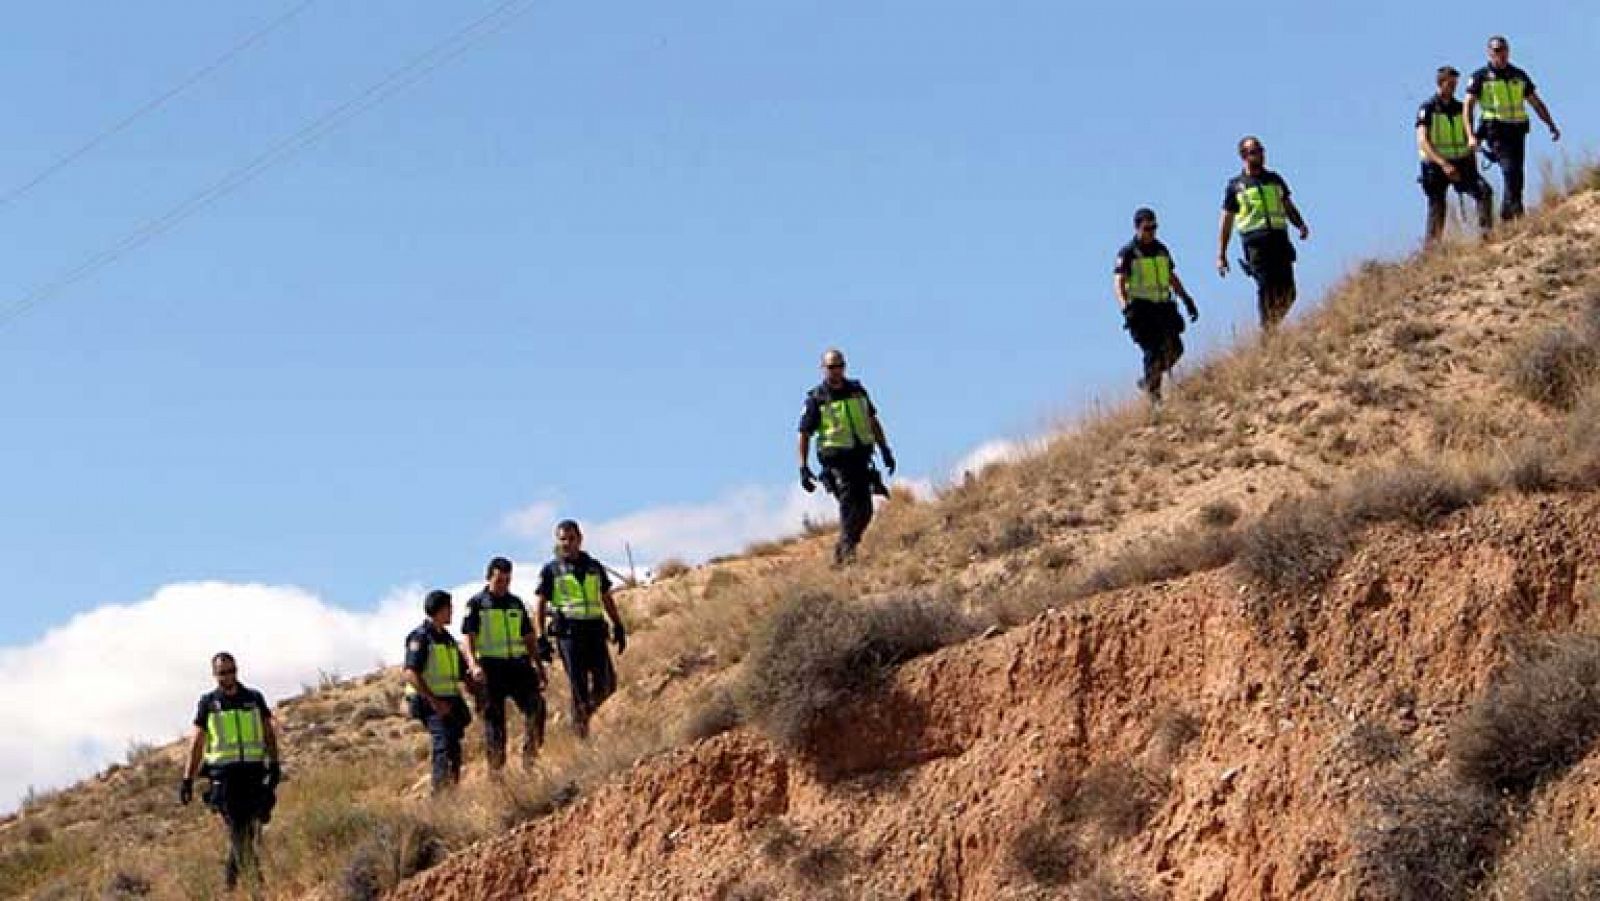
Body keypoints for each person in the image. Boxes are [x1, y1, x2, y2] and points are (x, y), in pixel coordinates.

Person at [178, 652, 282, 891]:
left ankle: (229, 887)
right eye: (223, 673)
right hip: (225, 780)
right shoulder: (209, 703)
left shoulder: (254, 698)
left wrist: (275, 764)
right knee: (238, 831)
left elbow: (268, 733)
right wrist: (187, 779)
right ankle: (257, 886)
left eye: (232, 671)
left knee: (250, 831)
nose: (228, 676)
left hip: (253, 775)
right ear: (214, 675)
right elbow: (196, 743)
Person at [796, 348, 897, 564]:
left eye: (840, 366)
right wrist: (803, 467)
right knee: (849, 507)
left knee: (866, 511)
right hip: (837, 463)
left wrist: (885, 449)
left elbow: (872, 421)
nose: (836, 371)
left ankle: (845, 550)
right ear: (823, 369)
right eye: (831, 367)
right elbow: (804, 434)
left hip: (861, 459)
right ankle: (845, 556)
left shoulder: (857, 392)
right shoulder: (817, 399)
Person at [535, 520, 627, 739]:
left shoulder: (594, 567)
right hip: (569, 634)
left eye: (571, 538)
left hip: (594, 631)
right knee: (579, 688)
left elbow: (606, 597)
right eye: (562, 539)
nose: (567, 543)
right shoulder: (552, 570)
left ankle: (588, 716)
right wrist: (541, 637)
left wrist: (618, 624)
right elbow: (540, 603)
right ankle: (580, 735)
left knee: (607, 684)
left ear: (580, 539)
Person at [1216, 136, 1311, 332]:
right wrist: (1221, 254)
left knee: (1289, 292)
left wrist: (1300, 224)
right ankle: (1268, 332)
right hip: (1256, 245)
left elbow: (1287, 206)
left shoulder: (1274, 180)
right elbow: (1226, 222)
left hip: (1279, 240)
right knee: (1266, 288)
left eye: (1261, 150)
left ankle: (1272, 325)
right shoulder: (1235, 187)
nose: (1260, 155)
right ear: (1244, 156)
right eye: (1254, 152)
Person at [461, 557, 546, 771]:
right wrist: (473, 664)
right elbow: (468, 638)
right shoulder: (477, 604)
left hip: (518, 666)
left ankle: (530, 759)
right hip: (490, 669)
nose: (503, 585)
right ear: (489, 577)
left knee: (537, 707)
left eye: (507, 580)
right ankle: (497, 773)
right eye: (499, 580)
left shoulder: (515, 603)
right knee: (495, 723)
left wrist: (538, 665)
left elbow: (528, 636)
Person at [1465, 35, 1560, 222]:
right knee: (1510, 170)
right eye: (1496, 51)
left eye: (1504, 50)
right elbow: (1468, 106)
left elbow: (1535, 102)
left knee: (1517, 174)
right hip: (1496, 131)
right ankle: (1515, 213)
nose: (1501, 54)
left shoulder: (1518, 75)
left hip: (1517, 131)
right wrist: (1470, 135)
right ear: (1489, 53)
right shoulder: (1480, 77)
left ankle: (1509, 214)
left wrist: (1550, 124)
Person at [1115, 208, 1199, 404]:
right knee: (1152, 351)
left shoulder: (1162, 250)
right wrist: (1126, 309)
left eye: (1154, 227)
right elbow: (1118, 283)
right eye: (1147, 228)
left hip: (1164, 307)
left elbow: (1171, 277)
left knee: (1176, 349)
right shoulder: (1128, 253)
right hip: (1141, 310)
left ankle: (1149, 380)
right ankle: (1155, 399)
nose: (1152, 232)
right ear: (1137, 228)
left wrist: (1186, 299)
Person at [404, 590, 475, 794]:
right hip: (429, 701)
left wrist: (475, 687)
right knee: (443, 743)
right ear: (439, 610)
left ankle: (451, 791)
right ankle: (441, 795)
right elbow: (410, 673)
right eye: (449, 608)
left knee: (453, 746)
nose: (452, 611)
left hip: (448, 699)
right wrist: (434, 701)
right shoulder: (421, 637)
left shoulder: (448, 640)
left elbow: (461, 671)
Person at [1417, 65, 1494, 244]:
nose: (1453, 88)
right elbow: (1422, 141)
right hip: (1435, 165)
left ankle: (1486, 237)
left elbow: (1468, 138)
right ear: (1441, 83)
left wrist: (1472, 163)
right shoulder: (1428, 108)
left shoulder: (1461, 109)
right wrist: (1444, 164)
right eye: (1450, 84)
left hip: (1461, 162)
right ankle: (1432, 248)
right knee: (1437, 206)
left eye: (1455, 84)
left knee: (1484, 191)